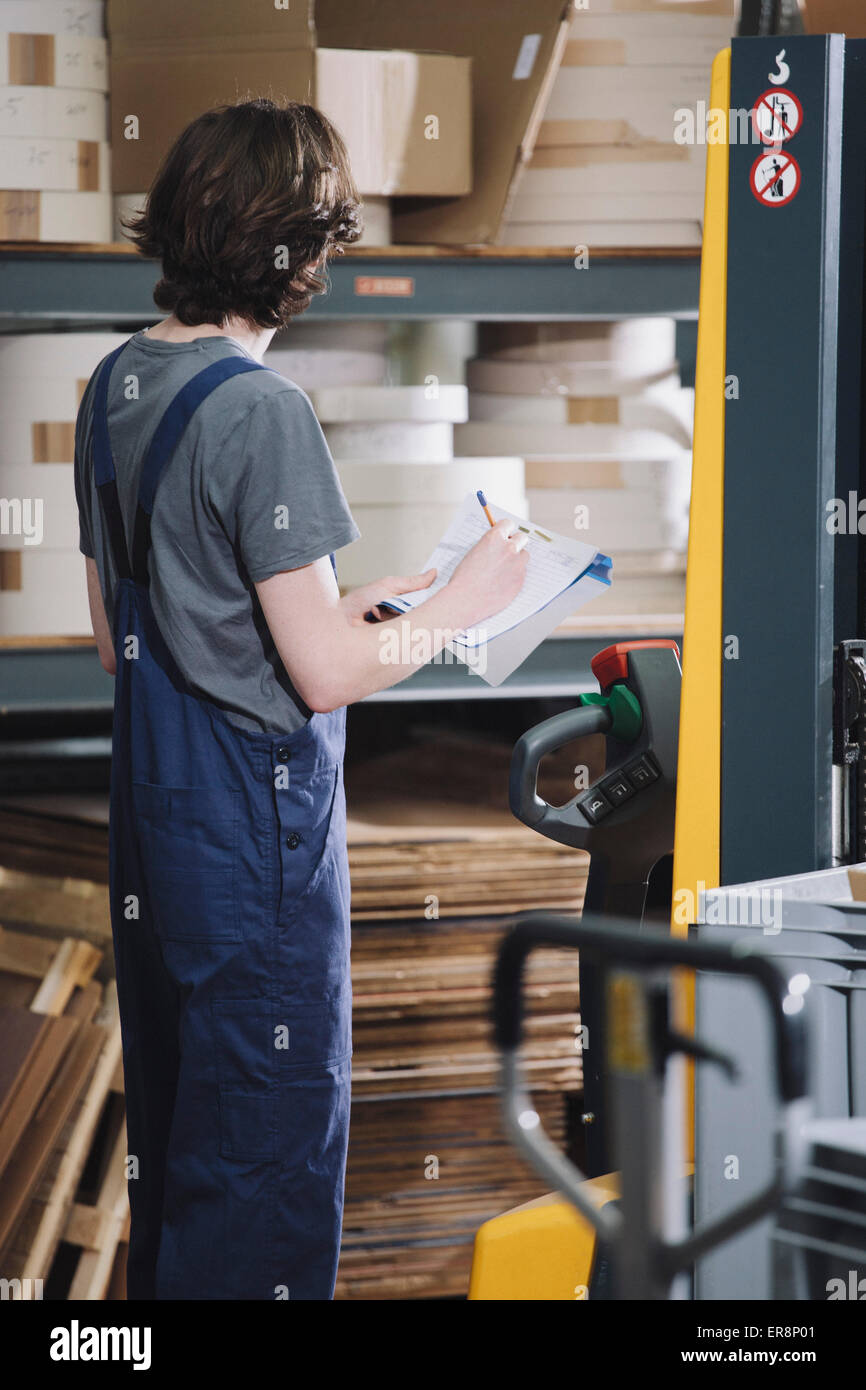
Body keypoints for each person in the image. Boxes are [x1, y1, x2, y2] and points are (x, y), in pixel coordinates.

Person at [74, 98, 528, 1301]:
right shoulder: (262, 411)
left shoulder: (112, 382)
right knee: (265, 1162)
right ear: (300, 250)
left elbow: (129, 641)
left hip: (159, 832)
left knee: (183, 1142)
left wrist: (357, 606)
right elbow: (321, 674)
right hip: (250, 843)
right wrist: (463, 605)